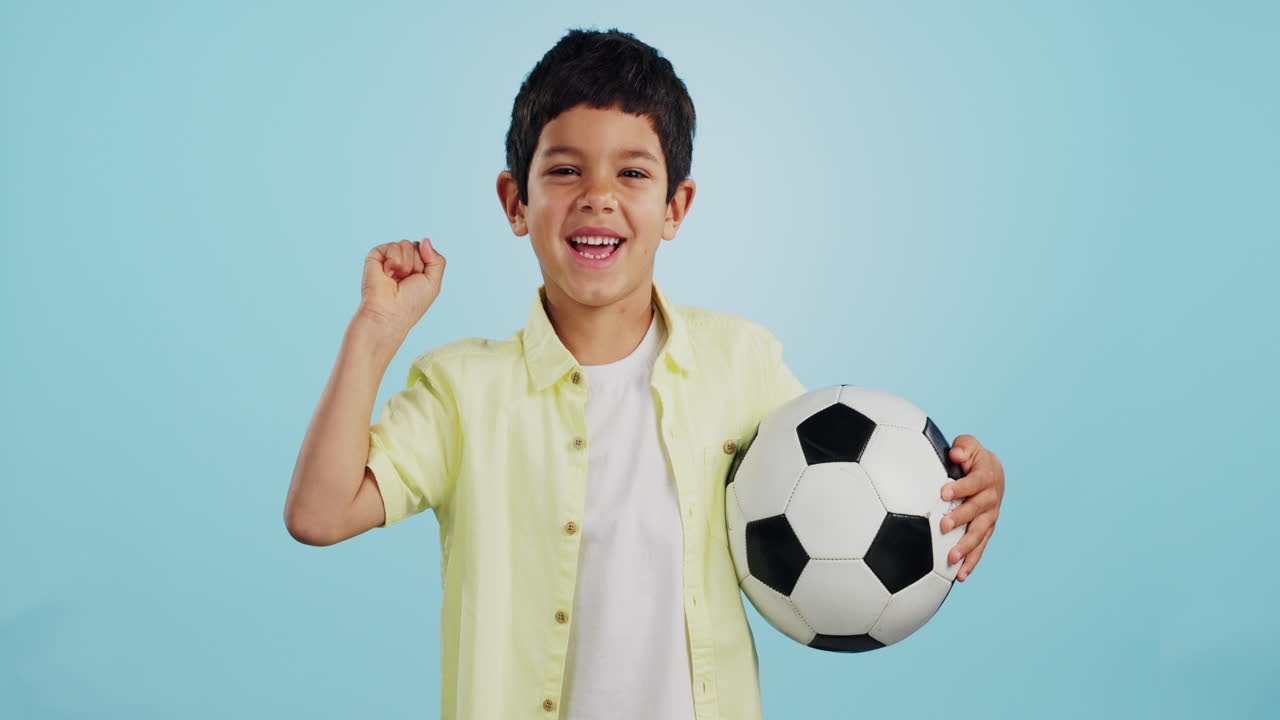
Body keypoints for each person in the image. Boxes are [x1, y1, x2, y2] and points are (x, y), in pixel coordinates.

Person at [284, 27, 1006, 720]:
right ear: (515, 202)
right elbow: (319, 513)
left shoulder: (741, 364)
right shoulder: (461, 391)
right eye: (564, 169)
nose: (598, 194)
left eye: (632, 172)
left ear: (675, 206)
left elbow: (846, 492)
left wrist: (963, 487)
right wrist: (373, 334)